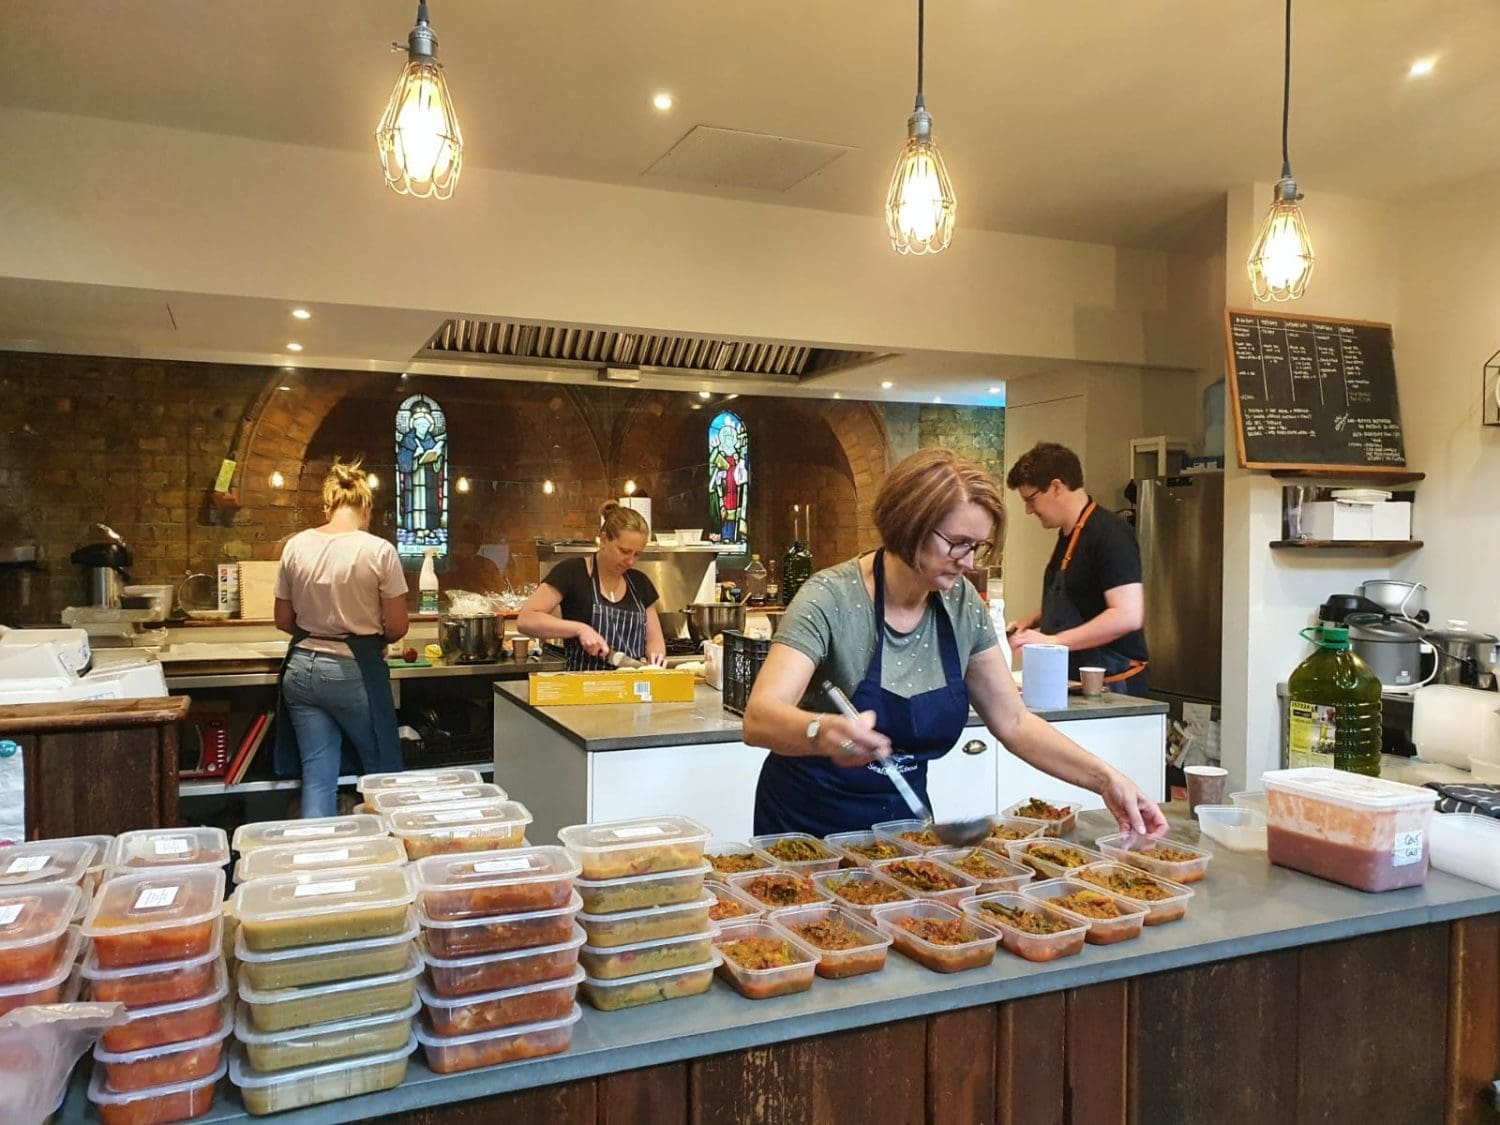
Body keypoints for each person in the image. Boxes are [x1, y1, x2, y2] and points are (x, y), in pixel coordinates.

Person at [741, 447, 1166, 838]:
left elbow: (1014, 722)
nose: (968, 562)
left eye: (977, 547)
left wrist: (1107, 779)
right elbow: (759, 718)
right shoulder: (830, 597)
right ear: (909, 525)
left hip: (904, 832)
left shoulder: (961, 604)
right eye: (958, 544)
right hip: (804, 835)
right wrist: (821, 730)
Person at [272, 459, 409, 817]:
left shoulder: (296, 546)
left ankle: (317, 865)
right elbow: (397, 627)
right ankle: (388, 860)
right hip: (353, 672)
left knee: (318, 777)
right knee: (382, 776)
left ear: (327, 506)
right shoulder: (378, 551)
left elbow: (283, 619)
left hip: (300, 669)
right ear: (366, 507)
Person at [1004, 442, 1150, 696]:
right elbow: (1078, 594)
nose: (1028, 510)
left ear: (1056, 487)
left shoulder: (1110, 533)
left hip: (1115, 686)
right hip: (1079, 680)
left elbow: (1128, 614)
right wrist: (1033, 620)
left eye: (1031, 500)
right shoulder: (1068, 534)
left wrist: (1054, 642)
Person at [517, 501, 667, 671]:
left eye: (637, 554)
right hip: (585, 690)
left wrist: (656, 661)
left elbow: (654, 640)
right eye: (624, 551)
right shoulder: (572, 572)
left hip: (633, 689)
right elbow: (526, 619)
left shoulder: (640, 583)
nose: (631, 561)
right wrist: (580, 629)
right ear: (603, 540)